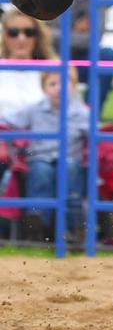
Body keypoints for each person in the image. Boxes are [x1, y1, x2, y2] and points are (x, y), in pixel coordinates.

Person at [0, 67, 88, 243]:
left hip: (70, 158)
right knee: (41, 171)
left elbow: (95, 137)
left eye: (65, 83)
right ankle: (36, 225)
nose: (59, 88)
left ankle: (71, 227)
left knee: (70, 170)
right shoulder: (34, 109)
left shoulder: (82, 113)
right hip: (39, 157)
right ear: (44, 88)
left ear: (74, 87)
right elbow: (7, 121)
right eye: (52, 83)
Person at [0, 12, 57, 119]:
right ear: (5, 36)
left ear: (38, 36)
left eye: (29, 32)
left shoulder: (53, 69)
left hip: (42, 132)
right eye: (13, 32)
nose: (21, 38)